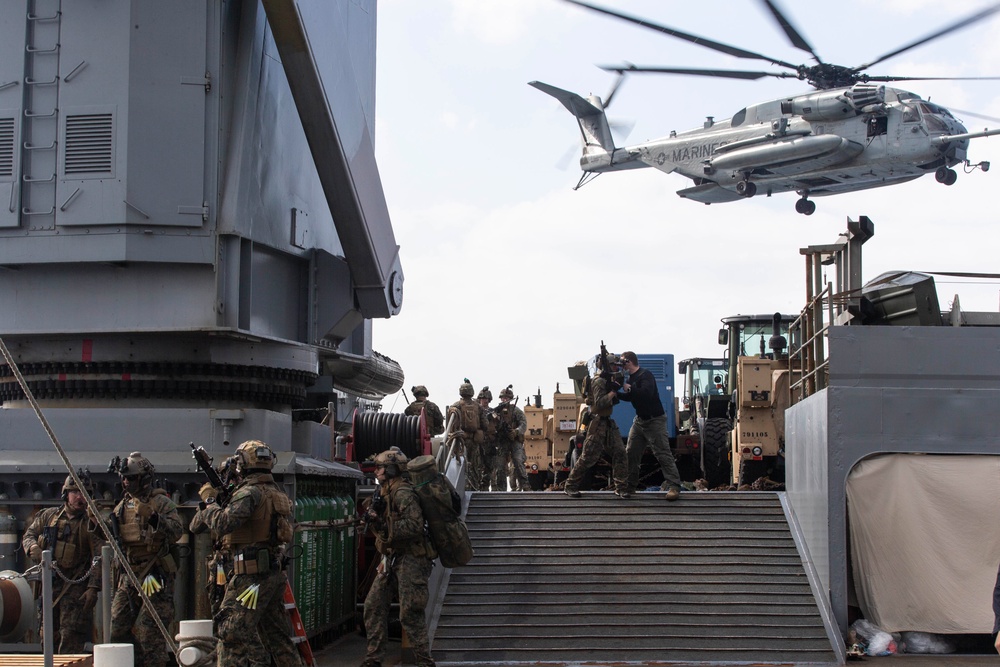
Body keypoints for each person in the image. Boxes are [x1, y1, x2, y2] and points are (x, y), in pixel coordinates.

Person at [193, 440, 302, 667]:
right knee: (278, 637)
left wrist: (210, 501)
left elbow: (223, 524)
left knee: (229, 632)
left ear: (243, 463)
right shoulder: (275, 492)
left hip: (250, 576)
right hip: (272, 573)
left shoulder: (249, 493)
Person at [361, 448, 436, 667]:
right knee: (373, 606)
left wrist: (384, 525)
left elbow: (414, 525)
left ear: (392, 469)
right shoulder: (383, 491)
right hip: (393, 557)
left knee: (410, 614)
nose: (377, 471)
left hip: (412, 558)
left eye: (381, 467)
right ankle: (373, 659)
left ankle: (425, 662)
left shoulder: (403, 492)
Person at [109, 452, 184, 667]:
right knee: (118, 626)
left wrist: (152, 517)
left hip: (154, 575)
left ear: (143, 478)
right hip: (129, 575)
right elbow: (114, 536)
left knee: (150, 633)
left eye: (131, 478)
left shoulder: (161, 502)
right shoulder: (123, 505)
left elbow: (177, 531)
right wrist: (97, 524)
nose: (126, 482)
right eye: (124, 478)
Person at [22, 471, 104, 653]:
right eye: (74, 492)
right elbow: (29, 535)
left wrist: (93, 588)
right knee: (47, 636)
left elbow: (99, 557)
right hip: (49, 587)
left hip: (75, 590)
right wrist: (34, 549)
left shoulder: (90, 524)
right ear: (65, 493)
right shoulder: (48, 517)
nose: (79, 497)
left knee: (70, 637)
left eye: (83, 493)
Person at [617, 351, 683, 501]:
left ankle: (674, 486)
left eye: (622, 362)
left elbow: (645, 393)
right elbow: (632, 396)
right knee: (631, 452)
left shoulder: (645, 375)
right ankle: (630, 485)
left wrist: (629, 388)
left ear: (629, 361)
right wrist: (617, 393)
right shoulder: (631, 378)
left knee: (662, 453)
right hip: (640, 421)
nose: (621, 365)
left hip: (655, 421)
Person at [564, 356, 629, 498]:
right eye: (614, 366)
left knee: (620, 452)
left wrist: (616, 388)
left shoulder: (606, 380)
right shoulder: (598, 381)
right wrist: (613, 391)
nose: (616, 368)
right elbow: (599, 403)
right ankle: (570, 485)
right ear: (607, 366)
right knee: (588, 456)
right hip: (597, 423)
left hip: (607, 422)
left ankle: (621, 487)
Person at [447, 379, 489, 491]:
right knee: (475, 465)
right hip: (474, 441)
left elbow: (450, 424)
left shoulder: (456, 406)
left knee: (461, 463)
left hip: (461, 440)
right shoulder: (478, 406)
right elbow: (485, 424)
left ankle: (462, 488)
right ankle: (474, 488)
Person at [493, 385, 528, 492]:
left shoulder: (515, 410)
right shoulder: (496, 412)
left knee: (518, 461)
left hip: (514, 440)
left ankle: (525, 486)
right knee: (500, 465)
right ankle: (501, 489)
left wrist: (516, 431)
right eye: (503, 398)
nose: (504, 400)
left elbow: (524, 424)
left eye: (506, 398)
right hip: (502, 441)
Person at [477, 387, 498, 491]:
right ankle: (477, 486)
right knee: (477, 465)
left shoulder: (492, 411)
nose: (485, 400)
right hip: (479, 442)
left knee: (489, 467)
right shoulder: (476, 410)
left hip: (490, 442)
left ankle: (485, 487)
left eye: (487, 399)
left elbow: (497, 421)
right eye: (483, 398)